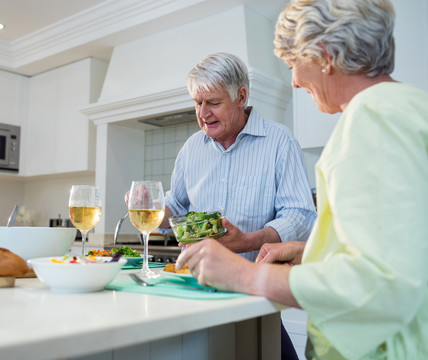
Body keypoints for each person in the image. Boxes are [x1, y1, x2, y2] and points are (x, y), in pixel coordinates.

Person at [176, 1, 428, 359]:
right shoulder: (410, 108)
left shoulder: (374, 120)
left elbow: (376, 286)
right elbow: (405, 254)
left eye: (294, 63)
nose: (294, 80)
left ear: (324, 56)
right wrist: (312, 254)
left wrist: (243, 275)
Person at [158, 52, 317, 360]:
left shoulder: (279, 142)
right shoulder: (192, 148)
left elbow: (300, 215)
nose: (203, 113)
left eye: (213, 102)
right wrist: (151, 210)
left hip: (254, 298)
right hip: (195, 293)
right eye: (197, 103)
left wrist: (247, 240)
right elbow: (174, 208)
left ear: (241, 96)